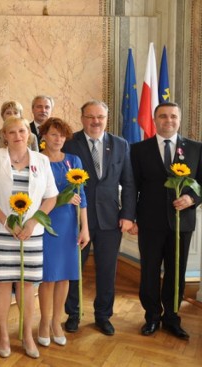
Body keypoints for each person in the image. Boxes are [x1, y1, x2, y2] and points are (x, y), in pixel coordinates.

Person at [0, 116, 57, 359]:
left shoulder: (42, 160)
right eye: (12, 132)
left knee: (27, 284)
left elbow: (51, 197)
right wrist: (5, 221)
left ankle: (27, 335)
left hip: (30, 234)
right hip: (0, 231)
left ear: (29, 134)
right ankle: (2, 334)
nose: (18, 135)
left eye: (22, 131)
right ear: (4, 135)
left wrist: (33, 222)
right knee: (1, 283)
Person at [62, 100, 136, 335]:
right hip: (76, 220)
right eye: (90, 116)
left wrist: (128, 215)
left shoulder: (120, 144)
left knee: (107, 270)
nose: (95, 121)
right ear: (82, 118)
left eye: (100, 117)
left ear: (106, 119)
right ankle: (73, 314)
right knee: (74, 269)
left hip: (110, 220)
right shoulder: (69, 143)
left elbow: (129, 183)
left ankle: (103, 316)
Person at [130, 102, 202, 340]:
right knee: (149, 272)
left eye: (173, 116)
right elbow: (133, 187)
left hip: (182, 223)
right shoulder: (139, 149)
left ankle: (172, 318)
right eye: (163, 116)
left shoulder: (196, 148)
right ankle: (151, 317)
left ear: (179, 120)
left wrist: (191, 199)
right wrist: (131, 218)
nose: (168, 120)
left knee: (176, 272)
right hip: (149, 223)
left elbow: (201, 184)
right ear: (154, 119)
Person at [37, 117, 89, 347]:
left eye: (62, 135)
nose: (58, 139)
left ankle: (57, 322)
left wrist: (84, 228)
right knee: (48, 277)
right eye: (53, 134)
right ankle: (43, 322)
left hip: (69, 223)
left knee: (65, 275)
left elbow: (82, 197)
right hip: (46, 222)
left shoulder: (73, 160)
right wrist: (59, 198)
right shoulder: (37, 161)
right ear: (44, 136)